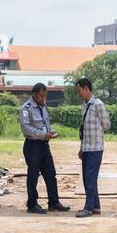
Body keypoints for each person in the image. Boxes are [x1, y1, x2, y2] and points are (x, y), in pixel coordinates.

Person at [19, 83, 69, 214]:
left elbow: (45, 125)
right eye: (41, 96)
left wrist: (51, 133)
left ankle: (54, 202)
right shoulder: (26, 108)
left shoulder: (43, 107)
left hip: (45, 146)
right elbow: (26, 128)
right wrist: (42, 135)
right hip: (32, 146)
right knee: (33, 175)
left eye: (45, 96)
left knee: (51, 174)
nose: (43, 98)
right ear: (34, 94)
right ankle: (32, 204)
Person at [74, 77, 111, 217]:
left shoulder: (98, 104)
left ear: (86, 88)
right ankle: (95, 206)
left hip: (96, 148)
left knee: (90, 178)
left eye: (79, 91)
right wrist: (81, 148)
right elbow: (83, 129)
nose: (79, 94)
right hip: (86, 148)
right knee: (88, 178)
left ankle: (88, 208)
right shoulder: (84, 106)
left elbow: (107, 125)